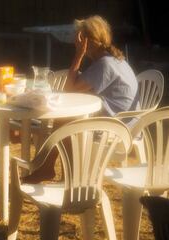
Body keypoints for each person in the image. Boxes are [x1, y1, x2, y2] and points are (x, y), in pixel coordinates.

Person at [22, 15, 139, 183]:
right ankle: (54, 171)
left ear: (89, 41)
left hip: (118, 127)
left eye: (79, 38)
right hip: (127, 121)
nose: (75, 41)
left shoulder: (105, 64)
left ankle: (54, 171)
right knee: (66, 121)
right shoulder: (114, 59)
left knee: (66, 122)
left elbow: (69, 90)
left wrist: (78, 55)